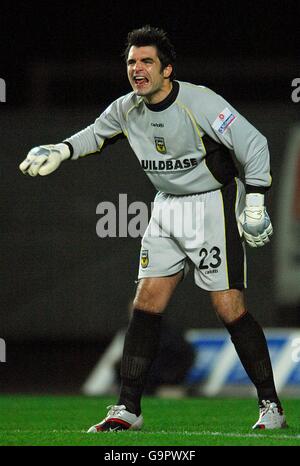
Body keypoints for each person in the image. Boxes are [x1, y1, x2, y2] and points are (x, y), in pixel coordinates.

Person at [19, 25, 287, 431]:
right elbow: (95, 134)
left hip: (210, 205)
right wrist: (62, 149)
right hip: (166, 208)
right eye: (131, 62)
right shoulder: (126, 108)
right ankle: (128, 408)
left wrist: (254, 202)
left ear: (167, 70)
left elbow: (254, 144)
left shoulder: (200, 101)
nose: (137, 69)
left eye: (147, 61)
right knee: (146, 304)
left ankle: (271, 406)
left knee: (228, 307)